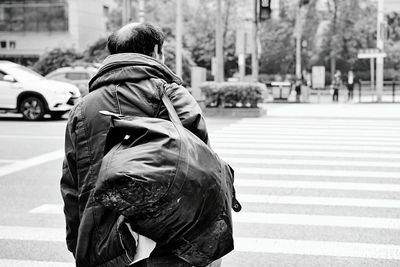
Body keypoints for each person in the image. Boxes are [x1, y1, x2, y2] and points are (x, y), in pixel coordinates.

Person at [60, 22, 220, 267]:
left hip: (103, 244)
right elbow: (205, 173)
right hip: (170, 243)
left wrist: (79, 243)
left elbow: (72, 186)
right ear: (157, 51)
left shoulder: (83, 109)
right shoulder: (174, 98)